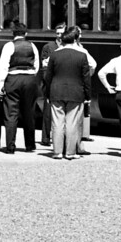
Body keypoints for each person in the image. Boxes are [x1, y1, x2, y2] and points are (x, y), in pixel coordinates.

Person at [41, 28, 93, 159]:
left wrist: (47, 94)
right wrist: (88, 95)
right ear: (75, 40)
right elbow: (86, 78)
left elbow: (48, 76)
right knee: (72, 123)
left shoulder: (54, 55)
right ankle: (70, 152)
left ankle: (57, 152)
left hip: (56, 92)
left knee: (57, 123)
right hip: (76, 93)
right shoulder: (81, 55)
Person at [0, 30, 42, 154]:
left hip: (13, 78)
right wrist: (31, 76)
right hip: (29, 79)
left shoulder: (9, 46)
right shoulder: (32, 45)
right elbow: (37, 64)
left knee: (11, 113)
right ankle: (30, 145)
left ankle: (10, 146)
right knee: (29, 112)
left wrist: (1, 83)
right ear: (25, 34)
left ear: (13, 34)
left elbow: (3, 65)